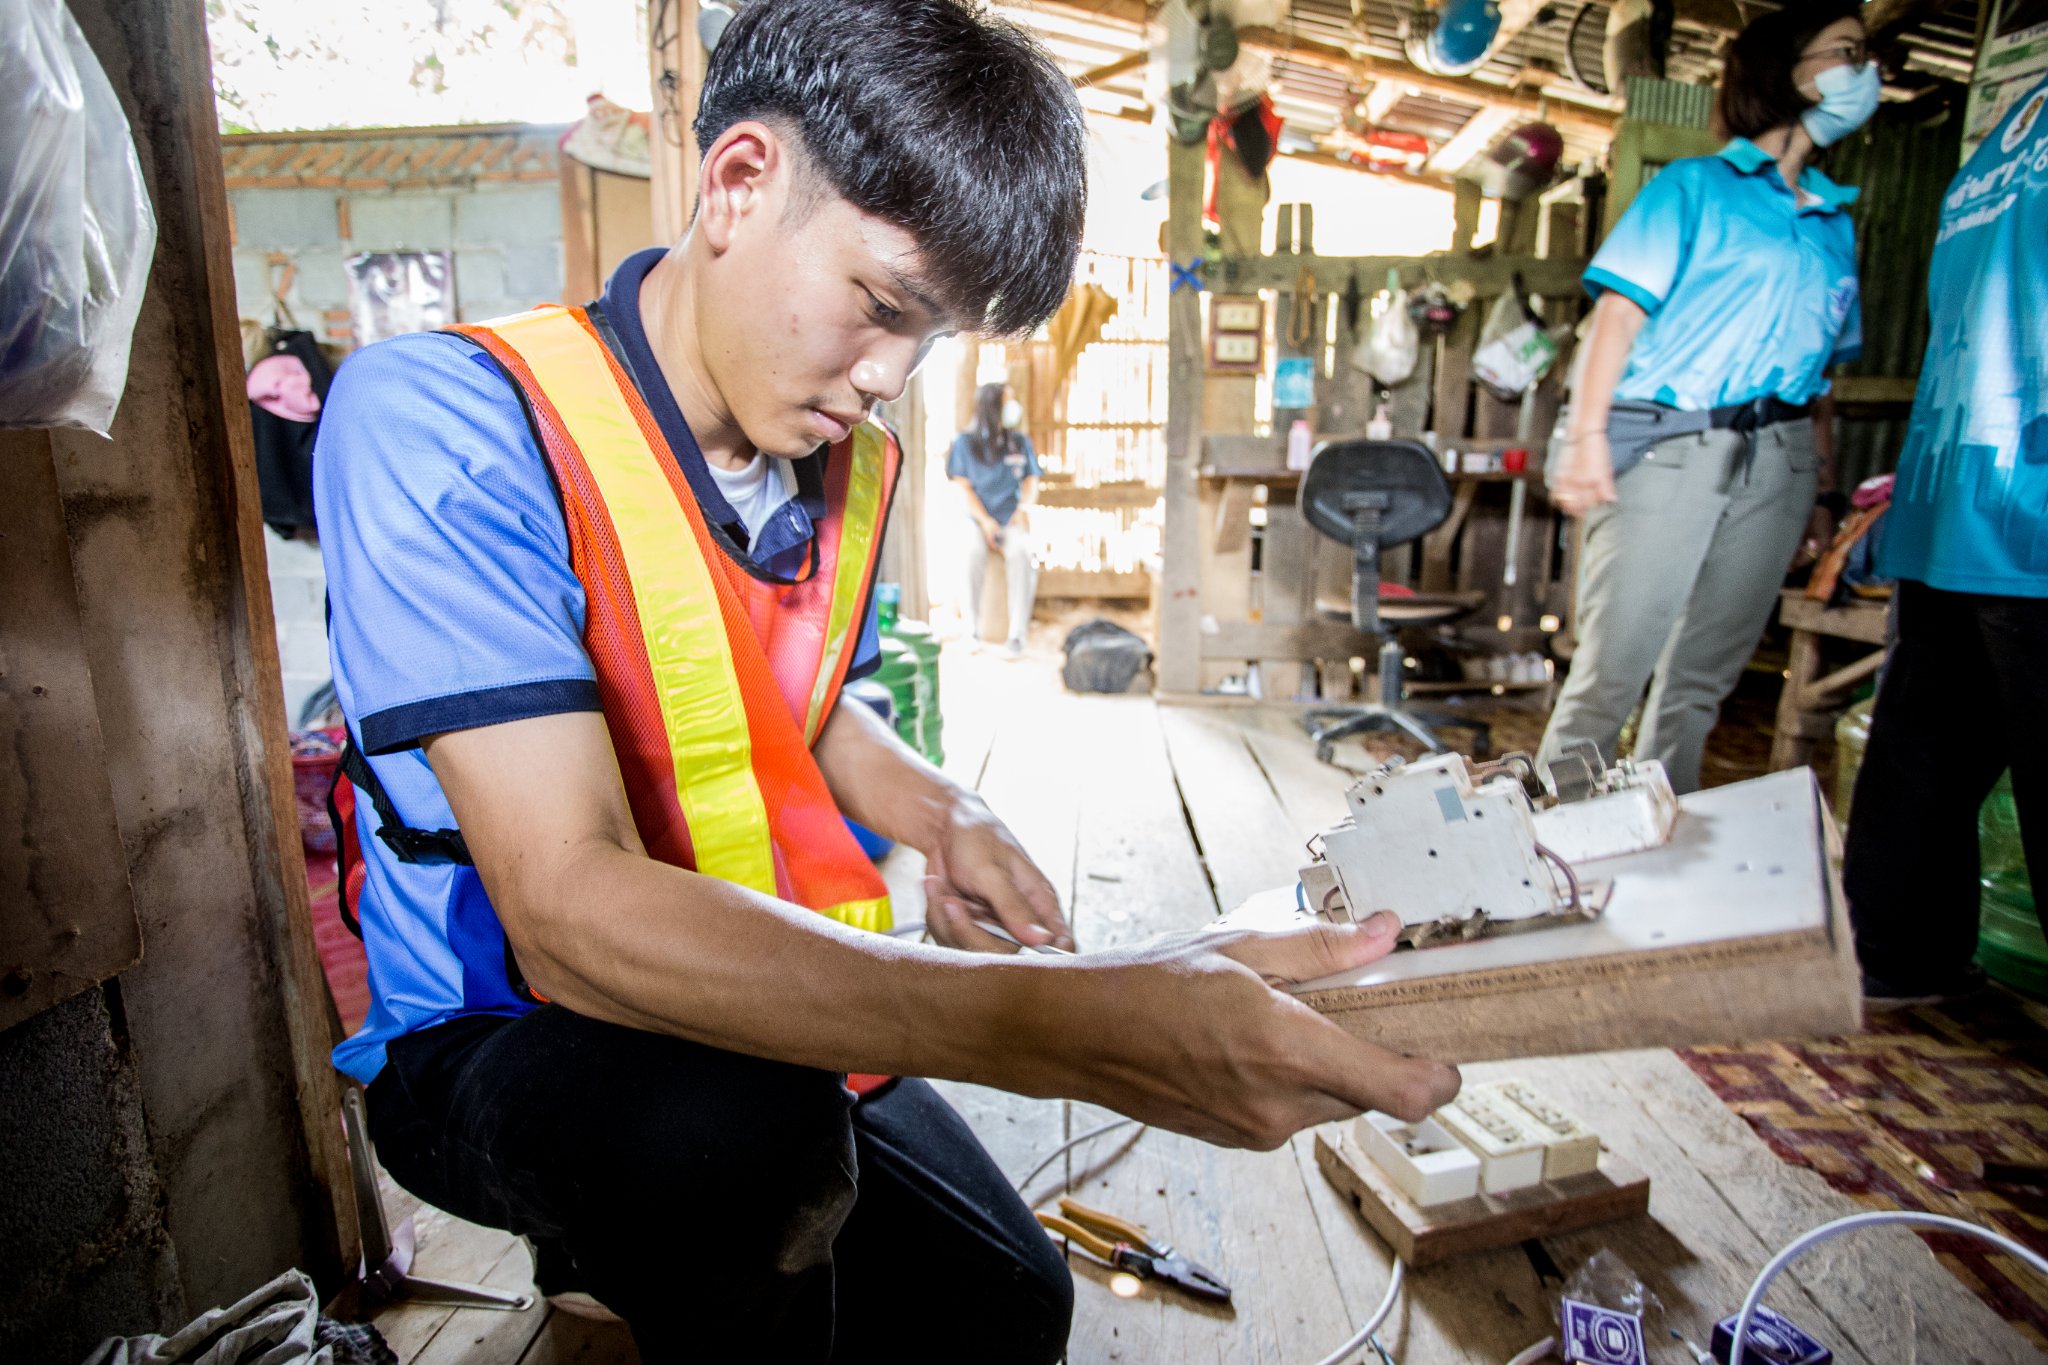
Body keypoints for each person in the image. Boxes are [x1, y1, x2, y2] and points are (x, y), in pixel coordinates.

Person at [312, 1, 1460, 1360]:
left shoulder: (836, 463)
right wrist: (1073, 1025)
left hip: (757, 983)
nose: (891, 379)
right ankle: (614, 1287)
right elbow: (565, 912)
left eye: (934, 339)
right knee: (732, 1147)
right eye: (882, 307)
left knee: (1003, 1305)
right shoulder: (448, 417)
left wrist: (941, 814)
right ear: (740, 183)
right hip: (507, 1029)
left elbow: (783, 695)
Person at [1540, 0, 1875, 794]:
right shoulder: (1697, 188)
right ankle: (1545, 865)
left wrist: (1821, 493)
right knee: (1610, 676)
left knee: (1699, 684)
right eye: (1845, 53)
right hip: (1674, 448)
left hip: (1781, 463)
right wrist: (1586, 438)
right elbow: (1616, 316)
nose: (1865, 72)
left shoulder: (1833, 222)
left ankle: (1660, 853)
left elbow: (1824, 376)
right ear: (1784, 71)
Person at [1843, 71, 2048, 1005]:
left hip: (1953, 485)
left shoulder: (2003, 142)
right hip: (2034, 501)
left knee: (1926, 753)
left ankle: (1898, 958)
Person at [949, 381, 1040, 655]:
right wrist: (985, 521)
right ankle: (971, 631)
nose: (1014, 408)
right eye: (1007, 401)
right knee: (970, 553)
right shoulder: (965, 443)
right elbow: (962, 487)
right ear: (992, 407)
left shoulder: (1020, 442)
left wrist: (1023, 508)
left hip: (1011, 519)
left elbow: (1031, 480)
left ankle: (1016, 637)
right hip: (977, 520)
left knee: (1022, 554)